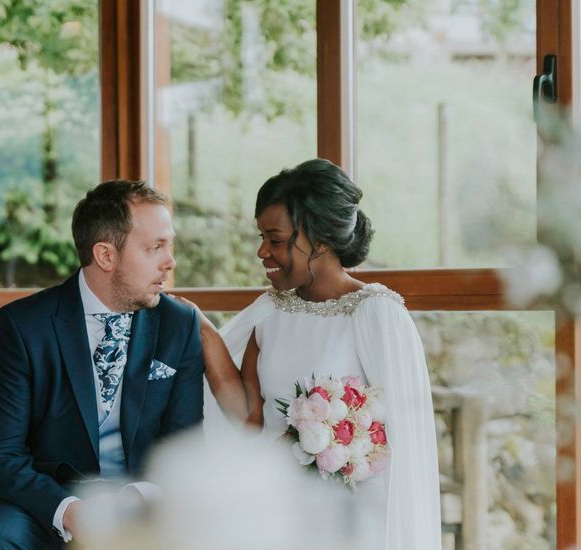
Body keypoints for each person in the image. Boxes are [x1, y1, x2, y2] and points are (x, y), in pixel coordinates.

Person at [0, 180, 243, 548]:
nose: (170, 261)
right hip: (45, 501)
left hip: (142, 500)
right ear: (106, 256)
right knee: (1, 534)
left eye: (169, 245)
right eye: (155, 247)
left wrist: (134, 499)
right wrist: (71, 511)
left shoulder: (178, 325)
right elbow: (0, 455)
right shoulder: (24, 325)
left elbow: (182, 448)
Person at [186, 159, 442, 550]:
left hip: (349, 526)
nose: (261, 251)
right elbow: (251, 419)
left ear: (319, 239)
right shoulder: (270, 313)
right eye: (261, 237)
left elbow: (405, 447)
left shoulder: (376, 314)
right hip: (273, 518)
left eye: (275, 239)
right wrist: (200, 329)